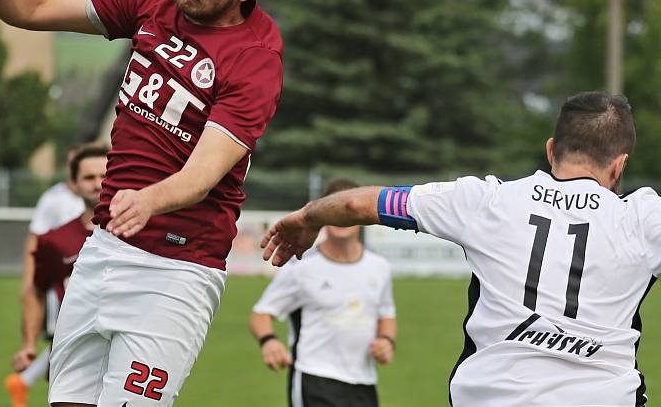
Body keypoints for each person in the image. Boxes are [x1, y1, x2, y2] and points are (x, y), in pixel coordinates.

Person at [0, 0, 283, 406]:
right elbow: (37, 8)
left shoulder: (255, 57)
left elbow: (204, 173)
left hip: (175, 271)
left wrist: (150, 199)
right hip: (104, 251)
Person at [261, 92, 661, 406]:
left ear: (551, 149)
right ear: (619, 165)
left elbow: (357, 204)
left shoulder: (486, 200)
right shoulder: (643, 218)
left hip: (489, 394)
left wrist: (308, 217)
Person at [250, 178, 396, 407]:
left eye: (347, 209)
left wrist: (386, 341)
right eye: (334, 210)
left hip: (364, 382)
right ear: (323, 214)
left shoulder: (379, 266)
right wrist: (268, 341)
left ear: (360, 215)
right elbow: (261, 313)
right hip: (313, 379)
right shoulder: (301, 266)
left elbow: (386, 313)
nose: (341, 218)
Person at [6, 143, 108, 407]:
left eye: (104, 176)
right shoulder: (56, 241)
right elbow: (36, 291)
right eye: (89, 178)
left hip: (125, 344)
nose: (98, 184)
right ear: (73, 184)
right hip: (75, 348)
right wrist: (29, 344)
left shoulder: (137, 232)